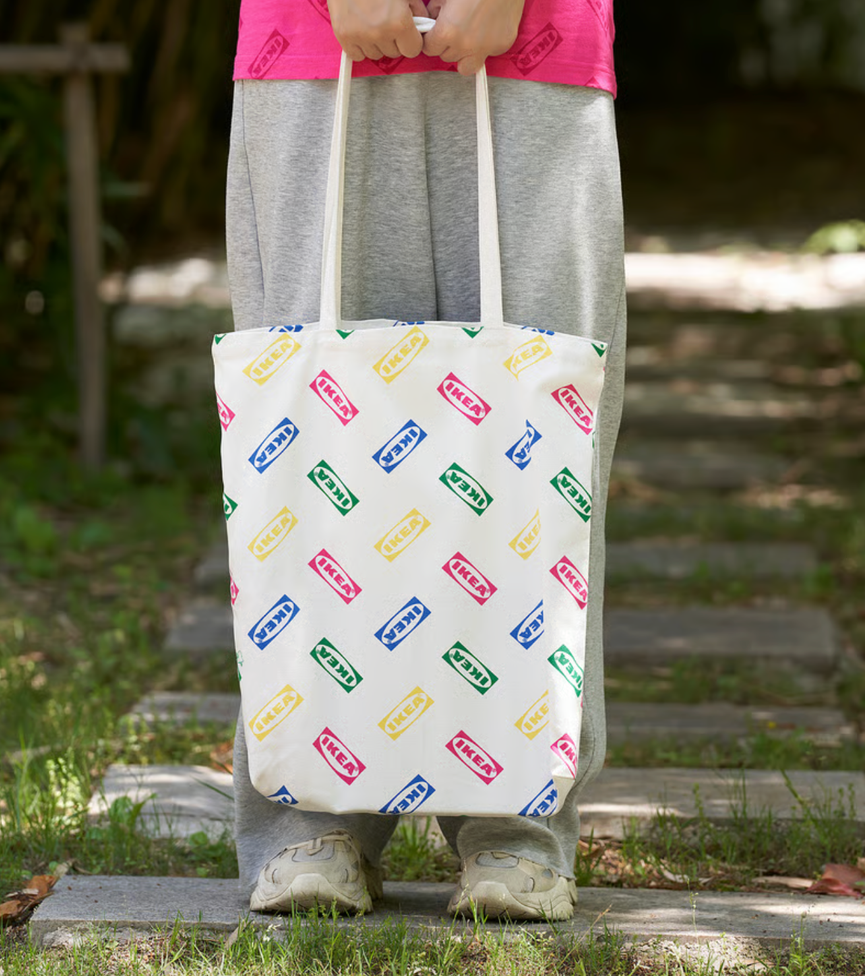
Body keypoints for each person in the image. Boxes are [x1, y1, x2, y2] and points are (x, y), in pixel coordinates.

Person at [226, 0, 625, 920]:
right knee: (305, 446)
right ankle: (306, 819)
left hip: (543, 41)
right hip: (306, 43)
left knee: (538, 436)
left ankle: (521, 828)